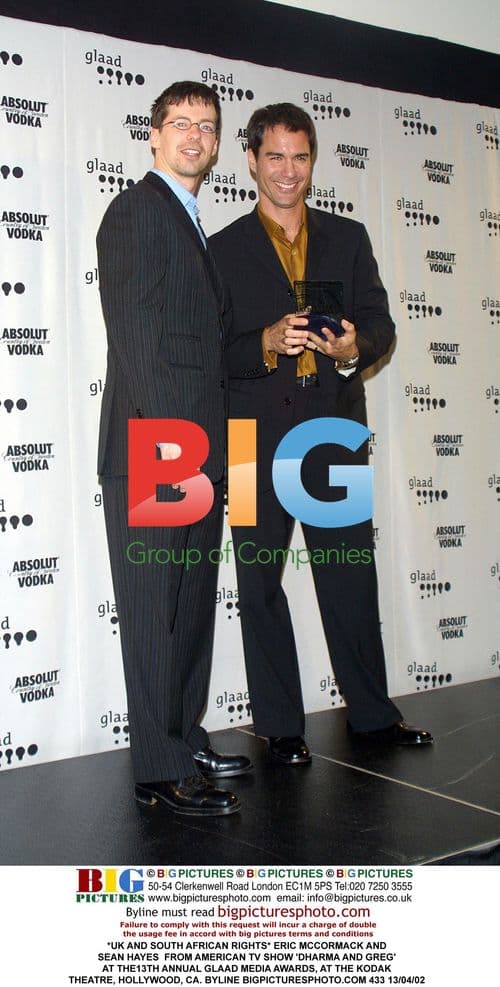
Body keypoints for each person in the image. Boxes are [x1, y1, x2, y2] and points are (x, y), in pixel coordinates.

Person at [210, 103, 432, 765]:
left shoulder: (348, 237)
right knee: (259, 585)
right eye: (274, 156)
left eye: (299, 157)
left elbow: (381, 327)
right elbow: (216, 352)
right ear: (251, 160)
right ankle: (280, 726)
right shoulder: (221, 250)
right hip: (252, 441)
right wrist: (268, 342)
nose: (287, 171)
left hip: (332, 433)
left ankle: (371, 716)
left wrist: (352, 347)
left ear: (313, 162)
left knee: (349, 578)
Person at [96, 81, 251, 816]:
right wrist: (177, 453)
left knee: (189, 612)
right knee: (155, 614)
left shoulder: (189, 222)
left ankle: (184, 735)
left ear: (218, 146)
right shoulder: (136, 213)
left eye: (208, 126)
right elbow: (139, 342)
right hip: (159, 451)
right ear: (153, 135)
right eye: (180, 123)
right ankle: (158, 771)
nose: (195, 135)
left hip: (199, 452)